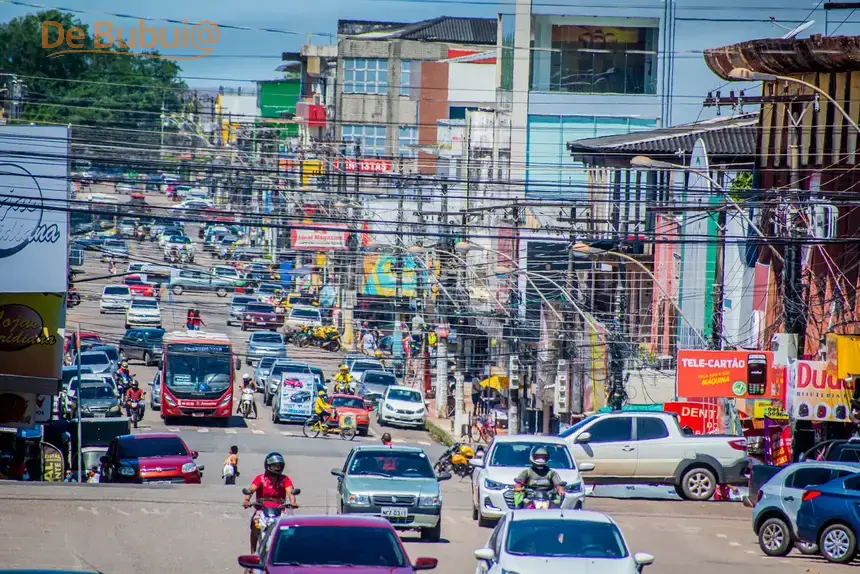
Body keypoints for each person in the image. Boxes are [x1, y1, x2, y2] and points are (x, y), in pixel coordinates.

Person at [243, 452, 297, 553]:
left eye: (279, 466)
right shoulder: (260, 478)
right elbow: (251, 490)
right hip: (262, 509)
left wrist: (293, 502)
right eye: (274, 466)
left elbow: (290, 492)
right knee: (255, 525)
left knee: (289, 530)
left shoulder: (285, 479)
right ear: (268, 465)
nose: (277, 468)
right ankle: (252, 553)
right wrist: (247, 500)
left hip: (280, 509)